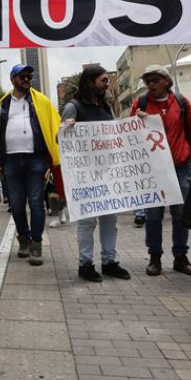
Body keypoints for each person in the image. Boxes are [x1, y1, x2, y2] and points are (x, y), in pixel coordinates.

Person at [0, 64, 61, 266]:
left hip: (35, 160)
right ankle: (24, 240)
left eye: (29, 76)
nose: (27, 79)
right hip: (10, 162)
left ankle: (36, 243)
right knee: (17, 205)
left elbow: (55, 125)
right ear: (13, 79)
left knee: (36, 202)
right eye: (22, 76)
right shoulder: (2, 104)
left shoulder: (41, 101)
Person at [131, 65, 191, 277]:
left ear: (166, 81)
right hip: (154, 170)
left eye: (155, 80)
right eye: (148, 81)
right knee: (153, 216)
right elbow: (131, 134)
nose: (151, 85)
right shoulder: (140, 103)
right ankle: (155, 257)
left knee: (181, 215)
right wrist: (137, 120)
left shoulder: (181, 103)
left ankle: (180, 257)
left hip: (180, 167)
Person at [61, 66, 131, 282]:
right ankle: (85, 264)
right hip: (84, 174)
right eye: (103, 80)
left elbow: (115, 132)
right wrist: (66, 128)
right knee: (87, 221)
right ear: (90, 82)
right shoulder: (73, 107)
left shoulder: (106, 106)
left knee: (110, 219)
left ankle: (109, 261)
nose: (106, 84)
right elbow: (59, 138)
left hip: (107, 171)